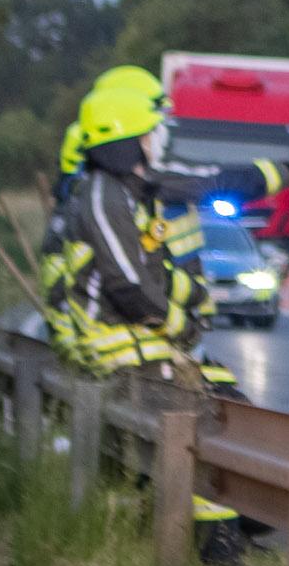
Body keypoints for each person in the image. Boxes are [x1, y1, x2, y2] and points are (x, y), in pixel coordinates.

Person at [38, 65, 200, 376]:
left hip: (127, 352)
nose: (156, 140)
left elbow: (149, 275)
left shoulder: (111, 197)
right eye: (150, 131)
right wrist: (185, 325)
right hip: (120, 361)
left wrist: (194, 300)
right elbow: (128, 284)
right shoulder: (103, 198)